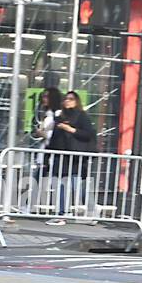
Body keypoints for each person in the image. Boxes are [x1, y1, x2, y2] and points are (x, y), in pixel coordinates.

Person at [42, 89, 95, 223]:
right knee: (61, 185)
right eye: (66, 99)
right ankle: (62, 213)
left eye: (71, 99)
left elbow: (88, 134)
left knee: (77, 185)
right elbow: (54, 138)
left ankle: (92, 211)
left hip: (76, 157)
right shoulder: (60, 117)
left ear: (76, 101)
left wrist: (71, 130)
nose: (67, 101)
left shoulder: (82, 116)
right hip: (61, 157)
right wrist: (47, 157)